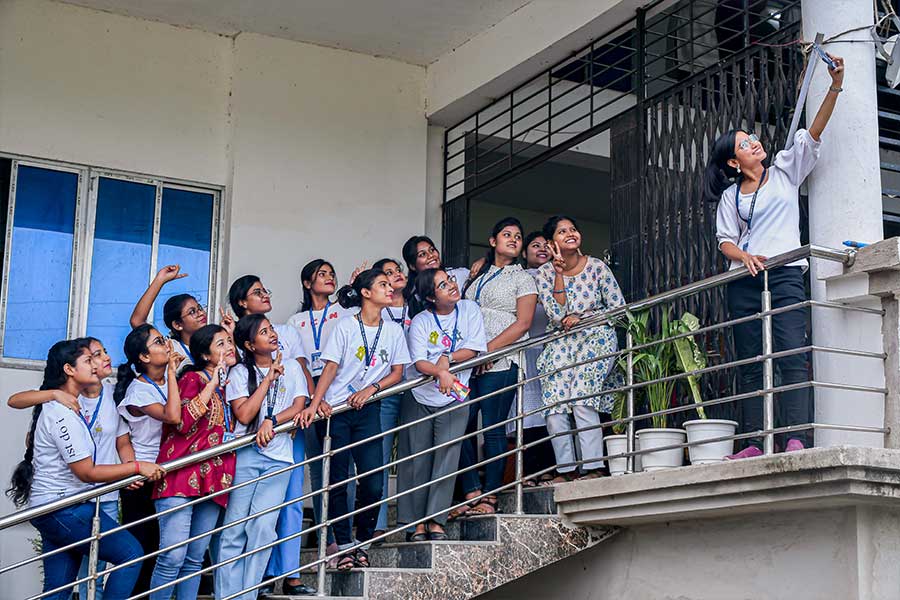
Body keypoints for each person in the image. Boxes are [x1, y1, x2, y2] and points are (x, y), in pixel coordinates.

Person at [706, 53, 845, 459]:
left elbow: (815, 129)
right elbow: (724, 241)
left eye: (752, 138)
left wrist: (835, 83)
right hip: (743, 281)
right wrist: (743, 257)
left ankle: (796, 436)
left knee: (790, 353)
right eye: (745, 144)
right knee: (750, 362)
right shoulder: (731, 196)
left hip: (784, 274)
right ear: (734, 162)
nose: (754, 143)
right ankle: (753, 442)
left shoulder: (785, 169)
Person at [6, 339, 165, 600]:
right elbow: (87, 472)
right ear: (69, 369)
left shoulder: (73, 406)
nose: (95, 364)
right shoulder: (60, 412)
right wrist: (137, 467)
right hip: (62, 507)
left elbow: (116, 446)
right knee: (130, 553)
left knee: (58, 590)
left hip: (59, 506)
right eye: (88, 361)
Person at [297, 269, 410, 570]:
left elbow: (397, 373)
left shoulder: (393, 331)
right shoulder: (346, 326)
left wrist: (371, 389)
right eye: (383, 285)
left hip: (368, 409)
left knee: (374, 481)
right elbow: (330, 368)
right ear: (365, 292)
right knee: (337, 481)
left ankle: (362, 540)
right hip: (335, 411)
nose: (390, 289)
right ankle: (345, 546)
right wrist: (316, 403)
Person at [278, 259, 356, 594]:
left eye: (331, 274)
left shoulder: (346, 312)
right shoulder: (294, 321)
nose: (329, 278)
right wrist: (313, 397)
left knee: (345, 466)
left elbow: (351, 355)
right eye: (321, 274)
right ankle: (327, 537)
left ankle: (345, 535)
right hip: (309, 398)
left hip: (341, 395)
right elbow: (297, 363)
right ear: (307, 283)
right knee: (319, 468)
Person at [217, 315, 308, 600]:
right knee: (234, 529)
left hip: (279, 457)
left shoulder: (291, 366)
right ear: (249, 344)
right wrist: (268, 379)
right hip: (246, 455)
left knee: (263, 529)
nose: (272, 334)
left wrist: (271, 420)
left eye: (271, 329)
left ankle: (246, 595)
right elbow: (243, 414)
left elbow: (299, 405)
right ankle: (225, 595)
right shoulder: (241, 373)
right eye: (263, 332)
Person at [149, 324, 238, 600]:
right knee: (173, 556)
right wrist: (211, 383)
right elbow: (183, 422)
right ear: (205, 356)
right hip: (179, 476)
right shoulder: (192, 379)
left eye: (229, 342)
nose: (229, 348)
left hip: (213, 480)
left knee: (195, 558)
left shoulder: (228, 387)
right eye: (220, 344)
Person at [536, 215, 625, 484]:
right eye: (562, 232)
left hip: (596, 337)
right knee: (554, 405)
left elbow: (618, 309)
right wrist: (559, 274)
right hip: (560, 344)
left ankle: (593, 467)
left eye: (573, 229)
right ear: (552, 244)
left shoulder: (597, 267)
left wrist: (585, 318)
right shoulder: (544, 274)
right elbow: (556, 314)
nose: (570, 234)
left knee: (582, 397)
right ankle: (566, 469)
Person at [457, 217, 536, 515]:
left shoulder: (523, 277)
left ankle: (490, 496)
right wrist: (473, 354)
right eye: (506, 234)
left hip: (501, 358)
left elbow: (524, 323)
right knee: (461, 425)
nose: (514, 239)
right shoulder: (476, 275)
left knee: (492, 428)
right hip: (469, 361)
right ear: (492, 241)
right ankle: (471, 491)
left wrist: (488, 351)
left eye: (518, 236)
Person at [400, 268, 487, 538]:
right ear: (430, 297)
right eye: (442, 285)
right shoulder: (421, 321)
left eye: (449, 280)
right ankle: (414, 523)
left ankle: (436, 521)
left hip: (455, 395)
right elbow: (418, 361)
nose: (451, 286)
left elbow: (473, 348)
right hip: (421, 396)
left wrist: (446, 359)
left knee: (447, 457)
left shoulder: (469, 309)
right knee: (417, 460)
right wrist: (439, 372)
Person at [115, 325, 184, 593]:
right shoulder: (138, 391)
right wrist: (172, 373)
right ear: (144, 357)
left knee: (162, 548)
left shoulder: (168, 380)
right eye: (158, 342)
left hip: (166, 472)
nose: (167, 344)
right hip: (141, 479)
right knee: (143, 550)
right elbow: (173, 417)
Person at [507, 232, 557, 484]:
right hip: (526, 352)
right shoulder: (519, 277)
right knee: (527, 412)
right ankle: (530, 470)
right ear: (524, 253)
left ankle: (552, 468)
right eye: (535, 245)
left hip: (553, 350)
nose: (541, 249)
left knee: (553, 411)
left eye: (546, 245)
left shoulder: (559, 275)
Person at [371, 257, 410, 539]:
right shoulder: (376, 313)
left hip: (420, 388)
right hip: (386, 389)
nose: (396, 275)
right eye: (388, 274)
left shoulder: (420, 304)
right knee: (381, 456)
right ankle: (378, 523)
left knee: (413, 453)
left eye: (398, 271)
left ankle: (411, 521)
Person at [130, 265, 234, 373]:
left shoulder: (215, 344)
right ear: (177, 325)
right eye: (192, 312)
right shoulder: (170, 347)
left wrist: (230, 335)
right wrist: (160, 280)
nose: (201, 313)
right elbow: (136, 321)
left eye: (199, 308)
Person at [401, 236, 470, 316]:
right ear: (412, 266)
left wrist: (484, 261)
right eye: (422, 254)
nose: (430, 255)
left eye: (432, 250)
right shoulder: (413, 297)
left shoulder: (460, 274)